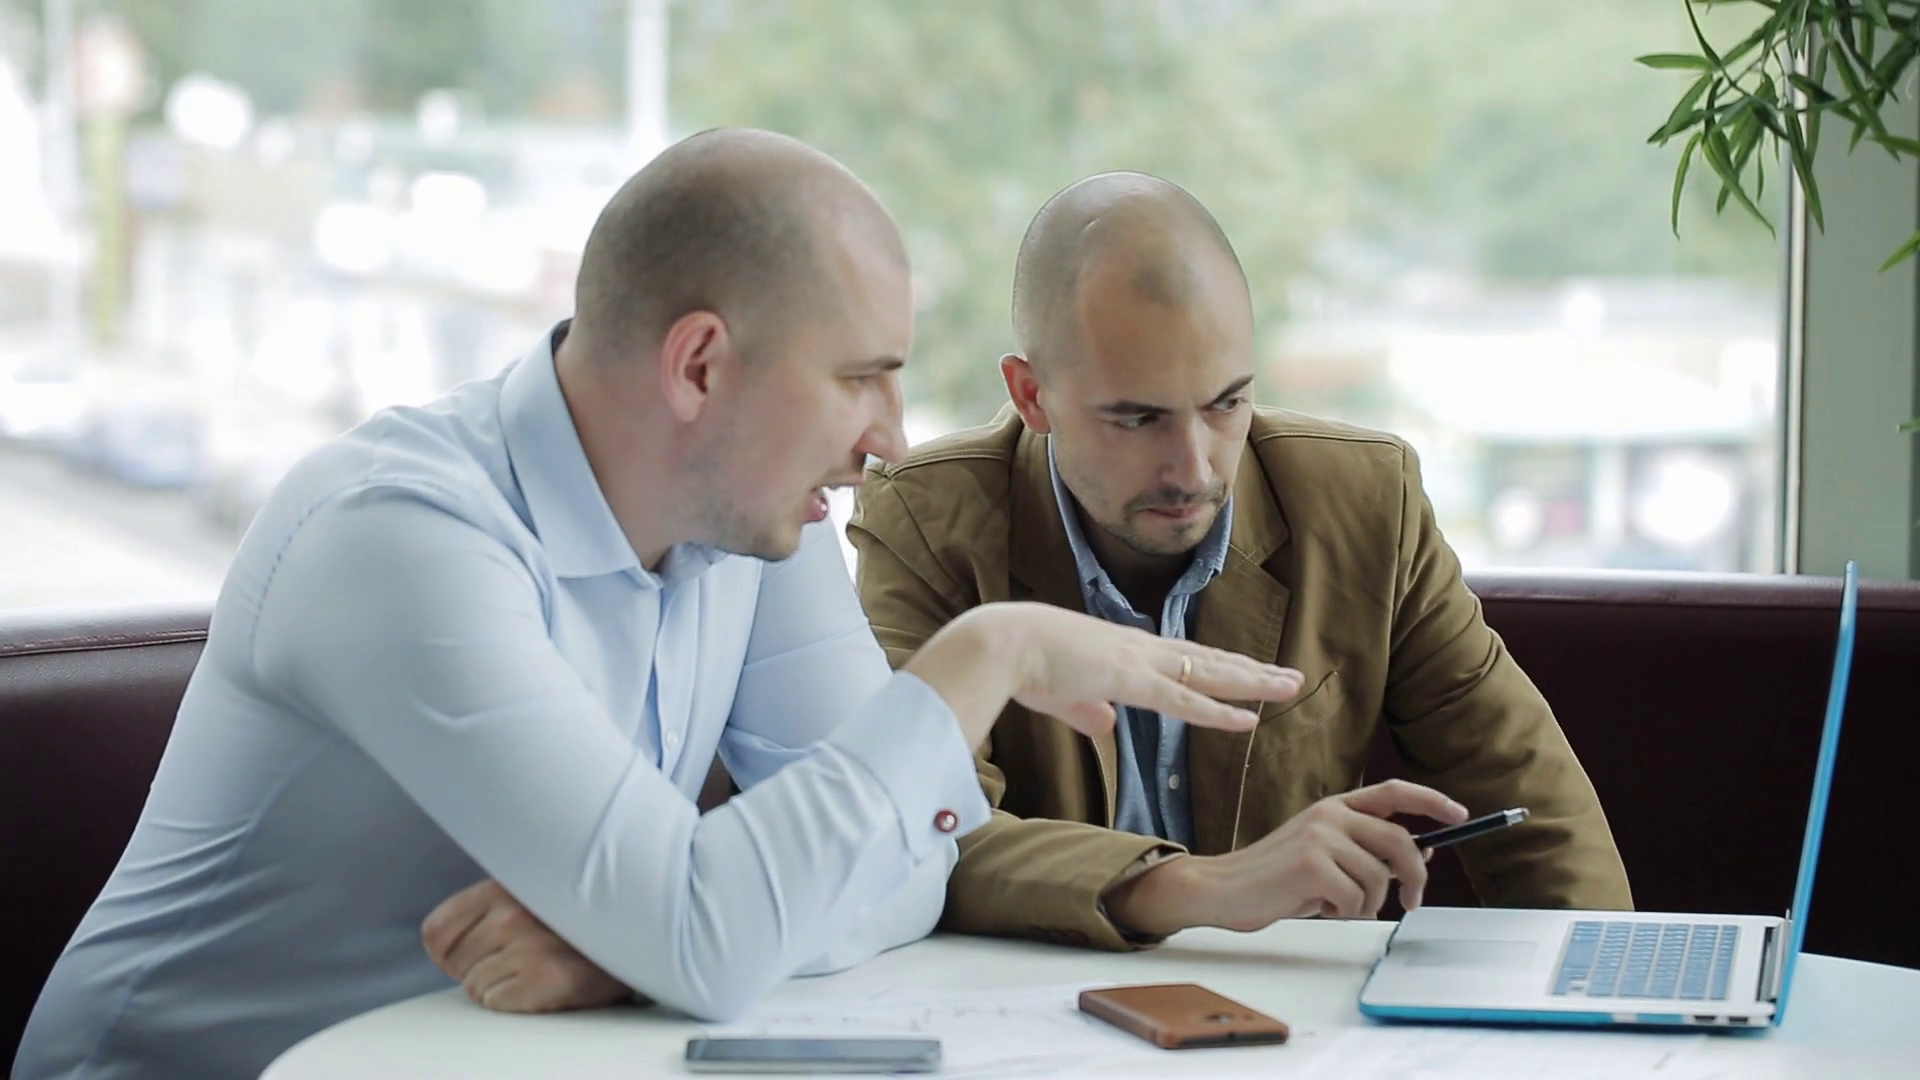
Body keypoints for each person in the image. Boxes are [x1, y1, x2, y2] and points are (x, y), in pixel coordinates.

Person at [12, 134, 1302, 1080]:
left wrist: (628, 946)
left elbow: (907, 872)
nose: (891, 440)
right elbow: (707, 931)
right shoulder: (397, 536)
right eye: (860, 379)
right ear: (699, 366)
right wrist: (988, 654)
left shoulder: (751, 519)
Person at [845, 171, 1633, 952]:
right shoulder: (924, 520)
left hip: (1293, 1011)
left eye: (1226, 403)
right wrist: (1200, 888)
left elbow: (1534, 809)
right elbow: (916, 833)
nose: (1194, 468)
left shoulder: (1366, 501)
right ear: (1031, 395)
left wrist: (1606, 1000)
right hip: (1025, 1003)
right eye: (1138, 419)